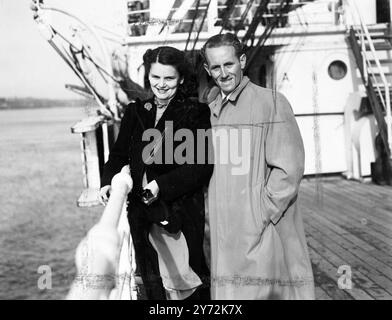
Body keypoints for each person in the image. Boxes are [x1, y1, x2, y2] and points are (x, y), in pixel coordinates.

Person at [201, 33, 315, 299]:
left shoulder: (271, 102)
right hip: (225, 232)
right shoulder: (210, 109)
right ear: (208, 70)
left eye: (229, 64)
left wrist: (260, 211)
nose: (223, 73)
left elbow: (289, 169)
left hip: (262, 227)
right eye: (215, 67)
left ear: (242, 61)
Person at [99, 46, 213, 300]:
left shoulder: (196, 113)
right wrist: (107, 182)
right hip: (141, 214)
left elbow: (201, 166)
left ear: (181, 78)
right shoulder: (135, 111)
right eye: (155, 77)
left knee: (189, 286)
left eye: (169, 78)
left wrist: (160, 184)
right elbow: (118, 155)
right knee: (154, 288)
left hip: (179, 213)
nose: (161, 84)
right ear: (148, 77)